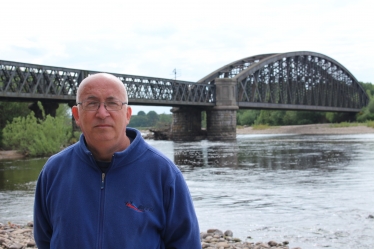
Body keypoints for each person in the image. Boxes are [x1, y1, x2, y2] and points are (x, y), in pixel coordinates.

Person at [33, 73, 201, 248]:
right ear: (76, 115)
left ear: (127, 114)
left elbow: (186, 243)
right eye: (91, 103)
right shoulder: (53, 171)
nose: (102, 113)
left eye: (112, 103)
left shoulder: (163, 174)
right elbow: (44, 239)